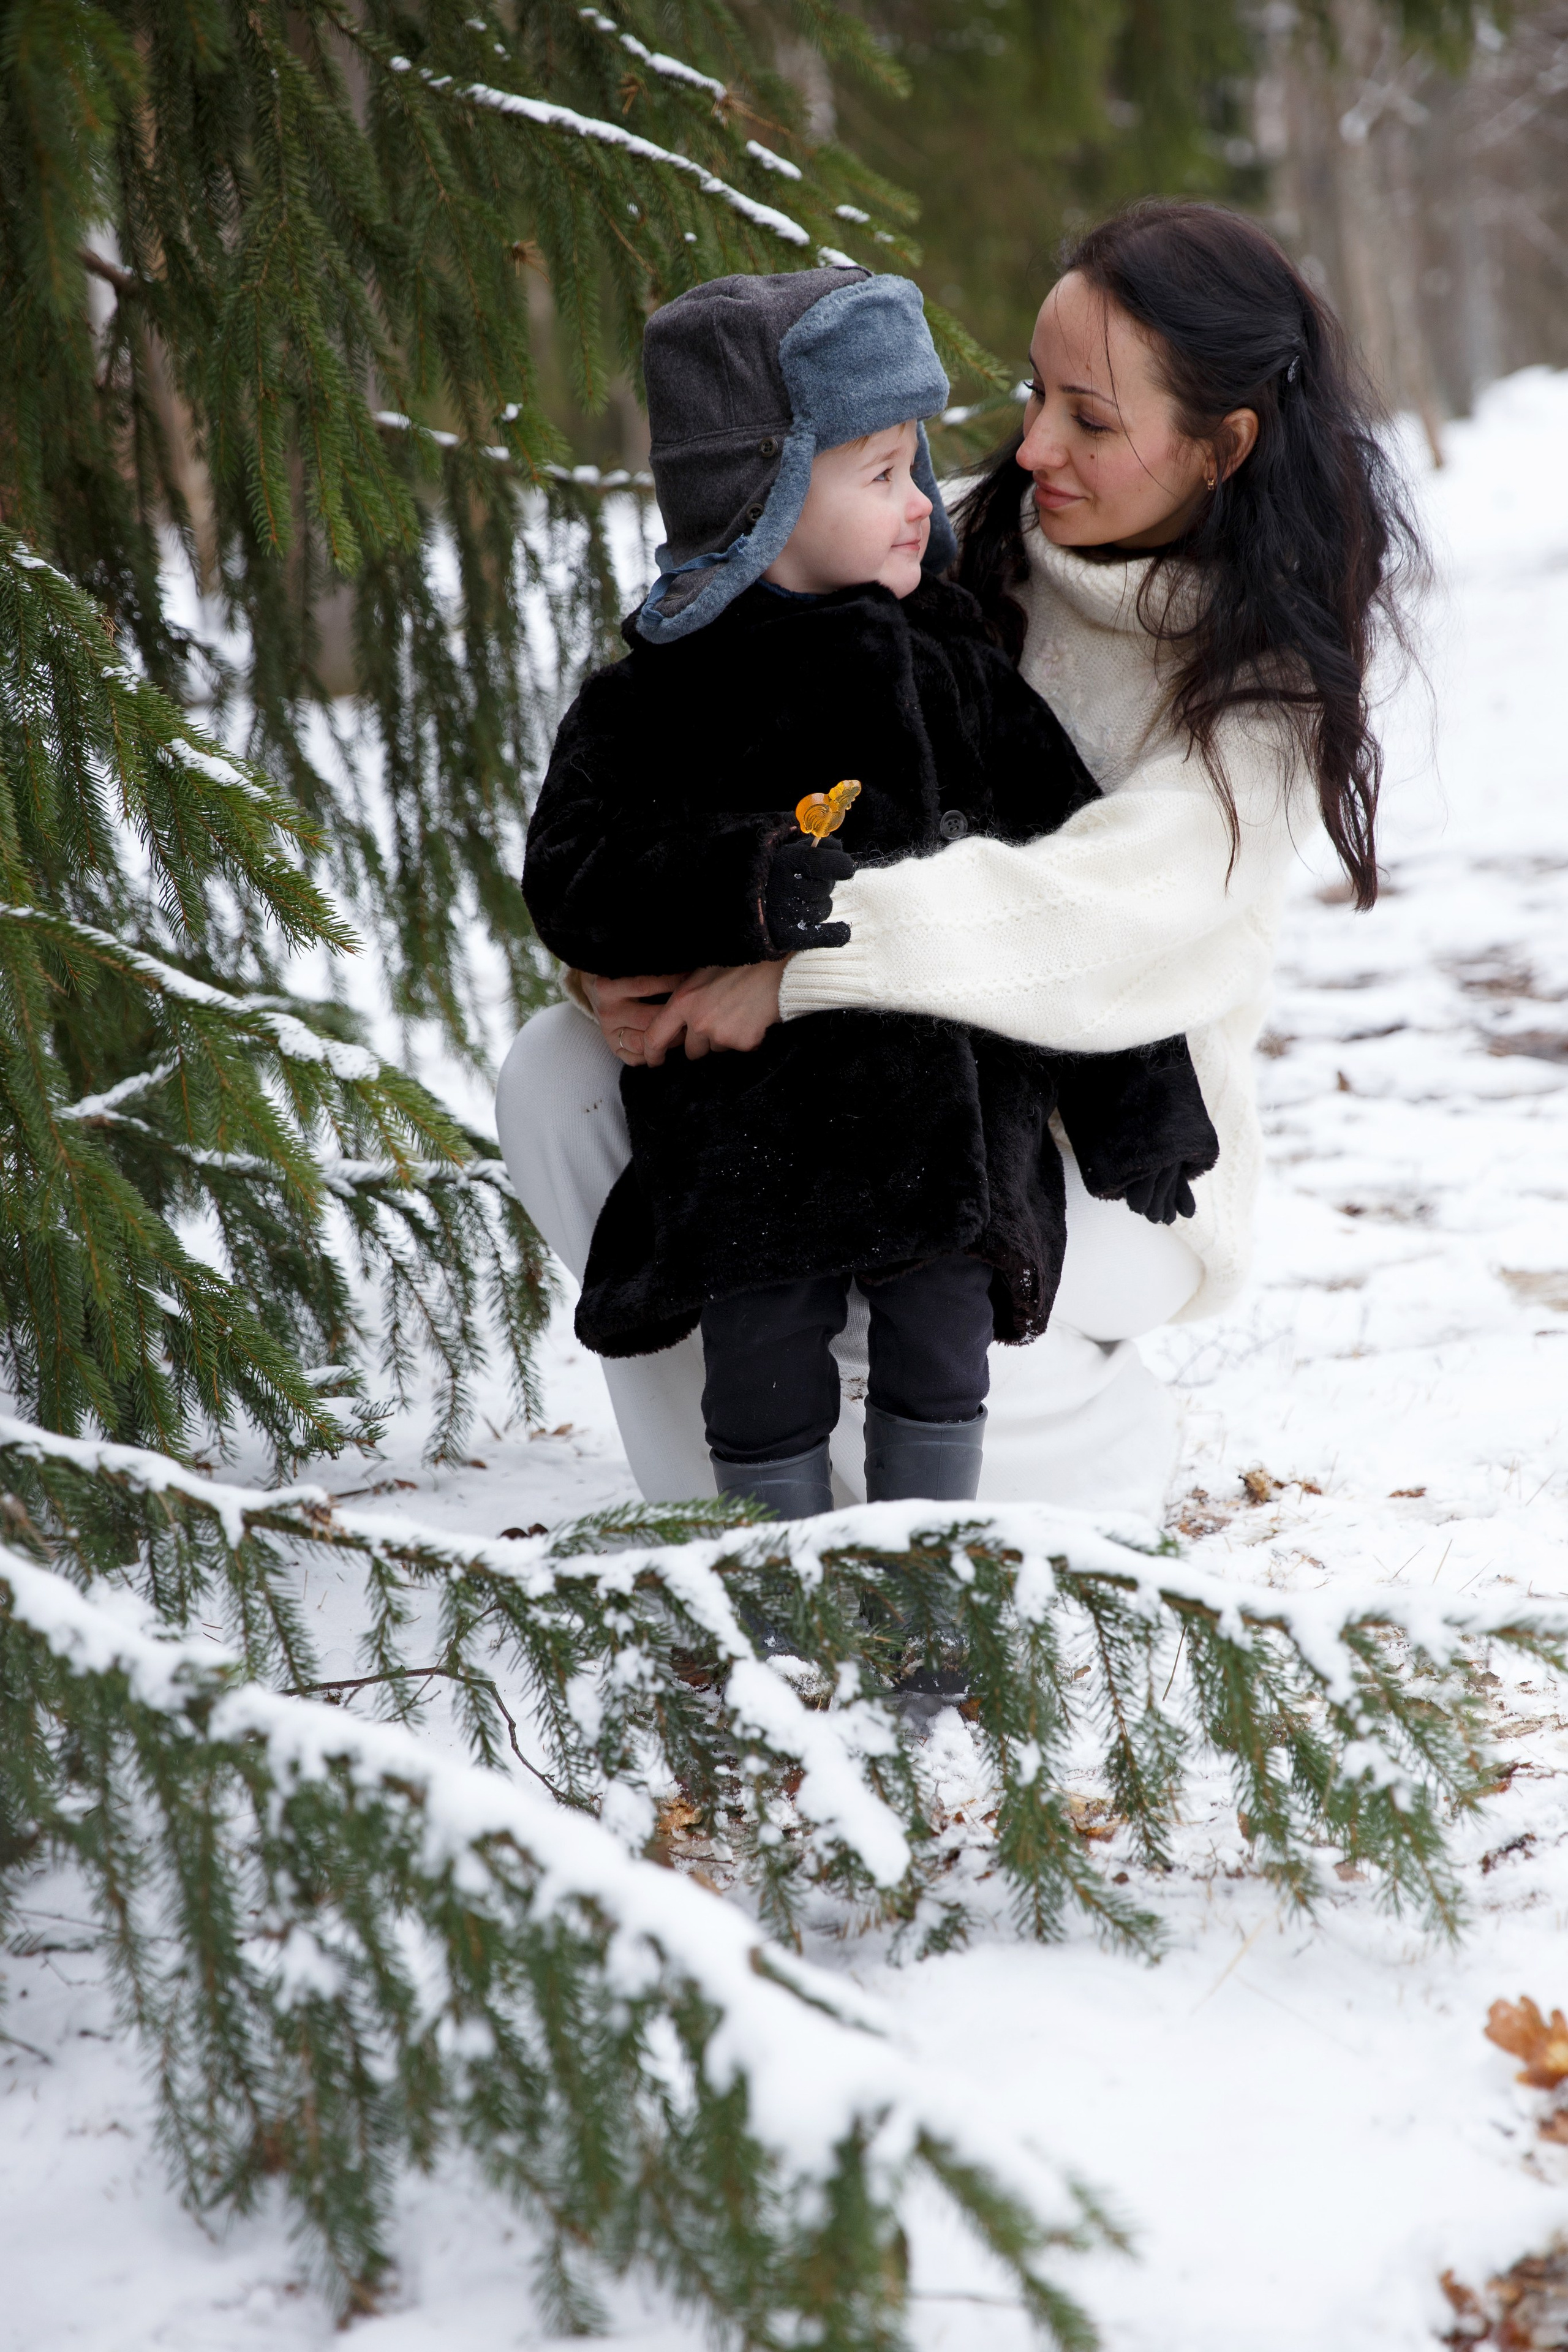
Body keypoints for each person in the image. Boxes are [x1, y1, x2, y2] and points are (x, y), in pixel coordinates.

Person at [496, 201, 1422, 1520]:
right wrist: (637, 961)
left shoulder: (1260, 694)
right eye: (1034, 393)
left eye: (1090, 420)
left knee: (899, 1284)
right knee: (563, 1079)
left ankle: (1065, 1469)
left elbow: (1094, 912)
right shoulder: (931, 534)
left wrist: (798, 971)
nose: (1030, 445)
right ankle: (720, 1532)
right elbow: (699, 743)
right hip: (825, 1090)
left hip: (1105, 1146)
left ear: (1220, 449)